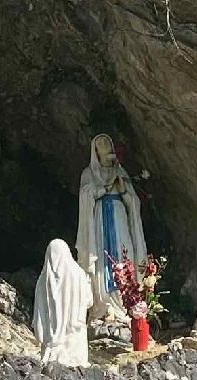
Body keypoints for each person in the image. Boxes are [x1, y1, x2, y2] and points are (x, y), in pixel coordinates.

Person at [75, 133, 148, 323]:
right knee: (101, 256)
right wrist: (106, 186)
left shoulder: (120, 171)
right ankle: (103, 305)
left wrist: (122, 188)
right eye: (100, 143)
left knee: (124, 252)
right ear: (95, 151)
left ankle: (125, 303)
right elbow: (85, 196)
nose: (105, 144)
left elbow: (132, 200)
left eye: (107, 142)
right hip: (100, 217)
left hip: (118, 214)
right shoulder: (88, 173)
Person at [33, 238, 91, 367]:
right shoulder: (79, 274)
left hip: (53, 337)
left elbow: (39, 311)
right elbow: (89, 301)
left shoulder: (44, 280)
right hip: (75, 332)